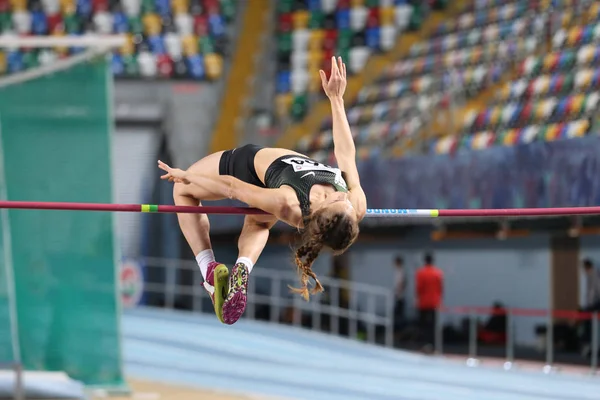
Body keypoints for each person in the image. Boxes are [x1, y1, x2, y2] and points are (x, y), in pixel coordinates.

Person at [157, 56, 367, 325]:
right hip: (272, 185)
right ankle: (242, 267)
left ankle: (209, 272)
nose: (344, 196)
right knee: (258, 221)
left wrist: (188, 176)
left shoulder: (289, 203)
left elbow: (232, 187)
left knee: (183, 193)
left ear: (324, 212)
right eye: (348, 203)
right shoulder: (356, 203)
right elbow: (346, 153)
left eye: (340, 201)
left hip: (246, 165)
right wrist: (336, 100)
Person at [415, 252, 443, 351]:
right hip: (434, 302)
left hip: (423, 302)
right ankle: (433, 344)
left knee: (422, 324)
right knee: (433, 324)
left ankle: (423, 343)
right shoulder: (438, 273)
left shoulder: (421, 273)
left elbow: (419, 288)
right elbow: (440, 288)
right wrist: (439, 301)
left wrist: (417, 299)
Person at [393, 256, 407, 325]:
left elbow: (402, 283)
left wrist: (399, 292)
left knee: (398, 313)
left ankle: (399, 327)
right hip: (398, 294)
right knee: (397, 312)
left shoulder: (401, 271)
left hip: (400, 295)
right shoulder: (398, 271)